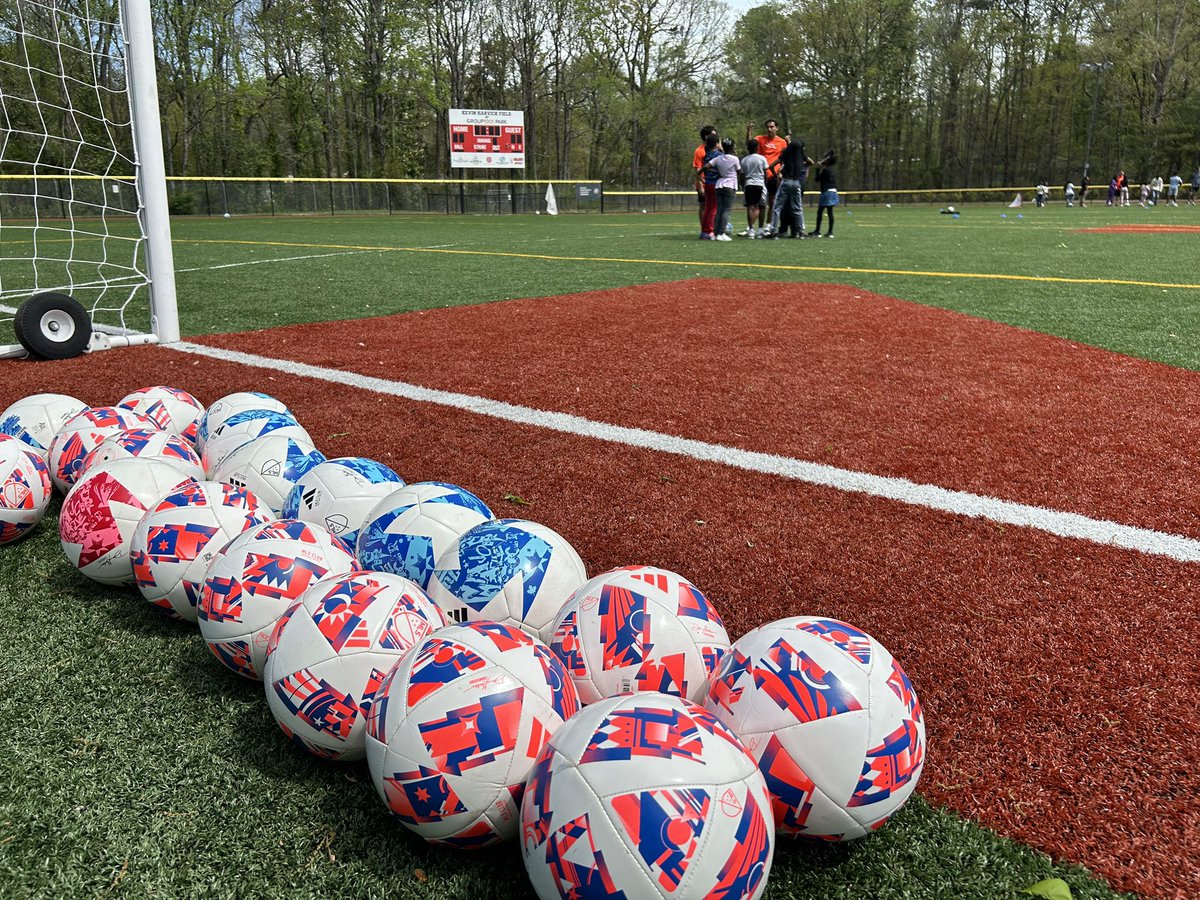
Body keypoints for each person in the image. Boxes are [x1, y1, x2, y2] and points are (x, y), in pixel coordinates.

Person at [746, 119, 788, 237]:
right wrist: (749, 131)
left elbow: (785, 157)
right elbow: (749, 145)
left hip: (774, 176)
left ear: (776, 128)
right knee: (757, 203)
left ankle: (768, 225)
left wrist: (781, 171)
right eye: (768, 127)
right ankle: (752, 228)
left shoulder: (782, 142)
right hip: (760, 176)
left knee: (772, 201)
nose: (769, 129)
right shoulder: (760, 139)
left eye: (772, 127)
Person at [767, 138, 810, 238]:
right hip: (796, 182)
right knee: (797, 208)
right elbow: (810, 162)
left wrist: (776, 176)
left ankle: (773, 231)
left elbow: (772, 165)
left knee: (777, 207)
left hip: (786, 181)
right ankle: (801, 231)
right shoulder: (800, 157)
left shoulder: (786, 155)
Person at [705, 137, 741, 241]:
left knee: (719, 210)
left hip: (719, 184)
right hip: (730, 185)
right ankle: (722, 233)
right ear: (732, 147)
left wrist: (716, 172)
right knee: (726, 210)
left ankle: (715, 234)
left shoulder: (718, 158)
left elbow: (705, 167)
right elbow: (738, 171)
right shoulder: (735, 159)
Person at [739, 138, 768, 237]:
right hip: (760, 184)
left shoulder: (744, 160)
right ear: (757, 148)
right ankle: (760, 229)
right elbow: (765, 173)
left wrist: (743, 186)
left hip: (749, 184)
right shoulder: (762, 158)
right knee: (762, 206)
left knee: (750, 207)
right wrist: (765, 183)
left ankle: (751, 229)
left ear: (748, 148)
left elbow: (742, 175)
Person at [808, 151, 838, 238]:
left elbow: (817, 179)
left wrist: (817, 169)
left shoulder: (825, 170)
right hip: (833, 191)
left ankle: (817, 231)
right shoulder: (831, 170)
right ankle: (830, 232)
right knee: (830, 212)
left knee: (820, 212)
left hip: (826, 192)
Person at [693, 125, 716, 236]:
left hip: (714, 183)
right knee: (704, 206)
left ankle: (713, 228)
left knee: (714, 207)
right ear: (706, 136)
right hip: (703, 182)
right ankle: (704, 229)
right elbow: (698, 169)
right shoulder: (699, 151)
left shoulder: (716, 149)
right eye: (713, 133)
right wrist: (701, 185)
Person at [698, 131, 721, 239]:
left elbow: (704, 170)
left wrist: (703, 181)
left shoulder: (706, 155)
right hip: (716, 184)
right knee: (714, 209)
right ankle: (710, 231)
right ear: (716, 143)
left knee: (707, 208)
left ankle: (704, 230)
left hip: (707, 183)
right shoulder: (719, 156)